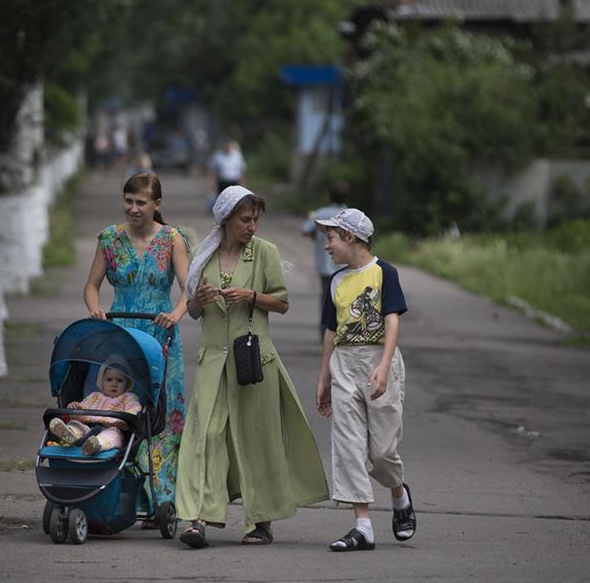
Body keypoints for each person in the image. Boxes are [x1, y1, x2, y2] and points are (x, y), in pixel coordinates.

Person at [176, 186, 329, 548]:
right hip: (214, 362)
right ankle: (197, 518)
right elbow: (194, 311)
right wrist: (196, 300)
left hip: (253, 363)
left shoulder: (265, 254)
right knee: (206, 437)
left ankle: (260, 522)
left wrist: (251, 297)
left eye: (255, 219)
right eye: (245, 220)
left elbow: (282, 302)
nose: (252, 227)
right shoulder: (203, 254)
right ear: (226, 220)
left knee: (257, 440)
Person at [84, 173, 190, 512]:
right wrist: (95, 309)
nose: (133, 208)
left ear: (156, 204)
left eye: (141, 202)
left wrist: (175, 313)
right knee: (119, 408)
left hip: (161, 335)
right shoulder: (110, 239)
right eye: (128, 201)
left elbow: (190, 288)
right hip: (122, 335)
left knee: (161, 415)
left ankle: (162, 497)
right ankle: (121, 493)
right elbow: (91, 285)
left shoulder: (173, 239)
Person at [313, 208, 417, 552]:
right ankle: (363, 526)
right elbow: (331, 331)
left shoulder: (384, 273)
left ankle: (398, 492)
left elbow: (392, 321)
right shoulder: (336, 282)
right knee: (349, 446)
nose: (326, 246)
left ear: (350, 237)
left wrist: (385, 365)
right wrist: (323, 376)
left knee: (382, 450)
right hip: (344, 363)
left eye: (330, 238)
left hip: (377, 360)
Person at [49, 359, 142, 455]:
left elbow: (135, 409)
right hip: (88, 426)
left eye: (119, 380)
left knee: (113, 436)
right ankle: (69, 434)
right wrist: (76, 406)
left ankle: (96, 445)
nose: (114, 384)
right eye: (109, 380)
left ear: (127, 384)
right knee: (75, 424)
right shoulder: (94, 396)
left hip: (112, 427)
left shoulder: (128, 397)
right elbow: (84, 406)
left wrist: (125, 418)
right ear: (101, 382)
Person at [302, 180, 349, 335]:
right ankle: (343, 329)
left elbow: (305, 229)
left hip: (324, 264)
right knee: (344, 298)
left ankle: (325, 331)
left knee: (326, 299)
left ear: (329, 195)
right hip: (344, 265)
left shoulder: (321, 213)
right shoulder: (349, 214)